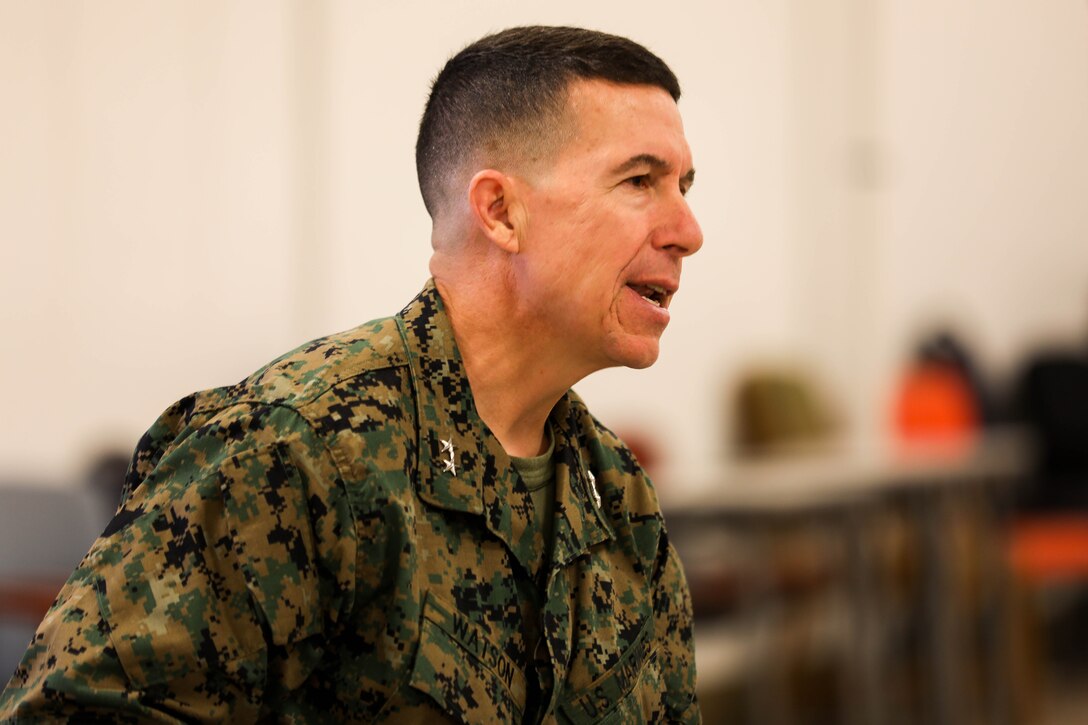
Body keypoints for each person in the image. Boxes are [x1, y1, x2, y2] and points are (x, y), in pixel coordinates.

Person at [1, 25, 703, 723]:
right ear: (500, 211)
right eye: (640, 181)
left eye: (684, 186)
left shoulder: (616, 495)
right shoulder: (295, 451)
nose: (687, 231)